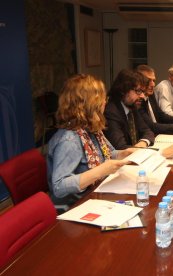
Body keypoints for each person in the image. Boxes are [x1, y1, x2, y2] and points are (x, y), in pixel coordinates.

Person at [47, 74, 133, 206]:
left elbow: (109, 153)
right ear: (88, 104)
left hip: (95, 193)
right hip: (75, 206)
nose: (105, 102)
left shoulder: (91, 128)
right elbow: (59, 186)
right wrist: (101, 171)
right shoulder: (69, 140)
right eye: (102, 99)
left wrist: (124, 153)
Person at [104, 69, 173, 158]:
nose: (142, 96)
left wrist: (142, 144)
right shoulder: (111, 111)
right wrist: (159, 153)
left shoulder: (132, 106)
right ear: (123, 90)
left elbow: (148, 131)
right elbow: (122, 149)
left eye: (142, 91)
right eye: (138, 91)